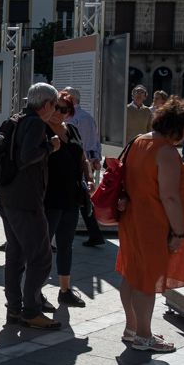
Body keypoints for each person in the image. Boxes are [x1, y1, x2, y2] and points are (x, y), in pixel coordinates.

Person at [117, 96, 184, 353]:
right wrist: (178, 231)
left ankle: (132, 327)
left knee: (131, 273)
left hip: (132, 219)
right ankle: (144, 336)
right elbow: (170, 196)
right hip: (153, 223)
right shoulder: (165, 152)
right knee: (147, 280)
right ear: (177, 126)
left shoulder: (139, 141)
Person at [0, 82, 63, 330]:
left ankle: (14, 308)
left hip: (8, 197)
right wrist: (50, 146)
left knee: (15, 254)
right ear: (46, 104)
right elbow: (27, 156)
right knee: (41, 256)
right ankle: (31, 310)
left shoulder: (17, 118)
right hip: (25, 200)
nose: (55, 110)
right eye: (55, 105)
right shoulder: (36, 123)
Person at [46, 92, 91, 307]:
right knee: (42, 246)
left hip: (71, 197)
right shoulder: (41, 130)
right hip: (48, 197)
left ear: (69, 112)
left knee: (66, 245)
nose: (58, 113)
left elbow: (82, 157)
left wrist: (89, 178)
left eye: (63, 109)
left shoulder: (72, 130)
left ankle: (65, 290)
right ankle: (35, 291)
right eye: (55, 107)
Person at [60, 86, 106, 248]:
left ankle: (89, 234)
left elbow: (90, 141)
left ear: (72, 99)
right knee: (83, 198)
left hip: (78, 163)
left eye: (65, 95)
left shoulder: (77, 118)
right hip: (81, 162)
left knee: (79, 198)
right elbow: (93, 141)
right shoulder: (82, 117)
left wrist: (93, 159)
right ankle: (95, 234)